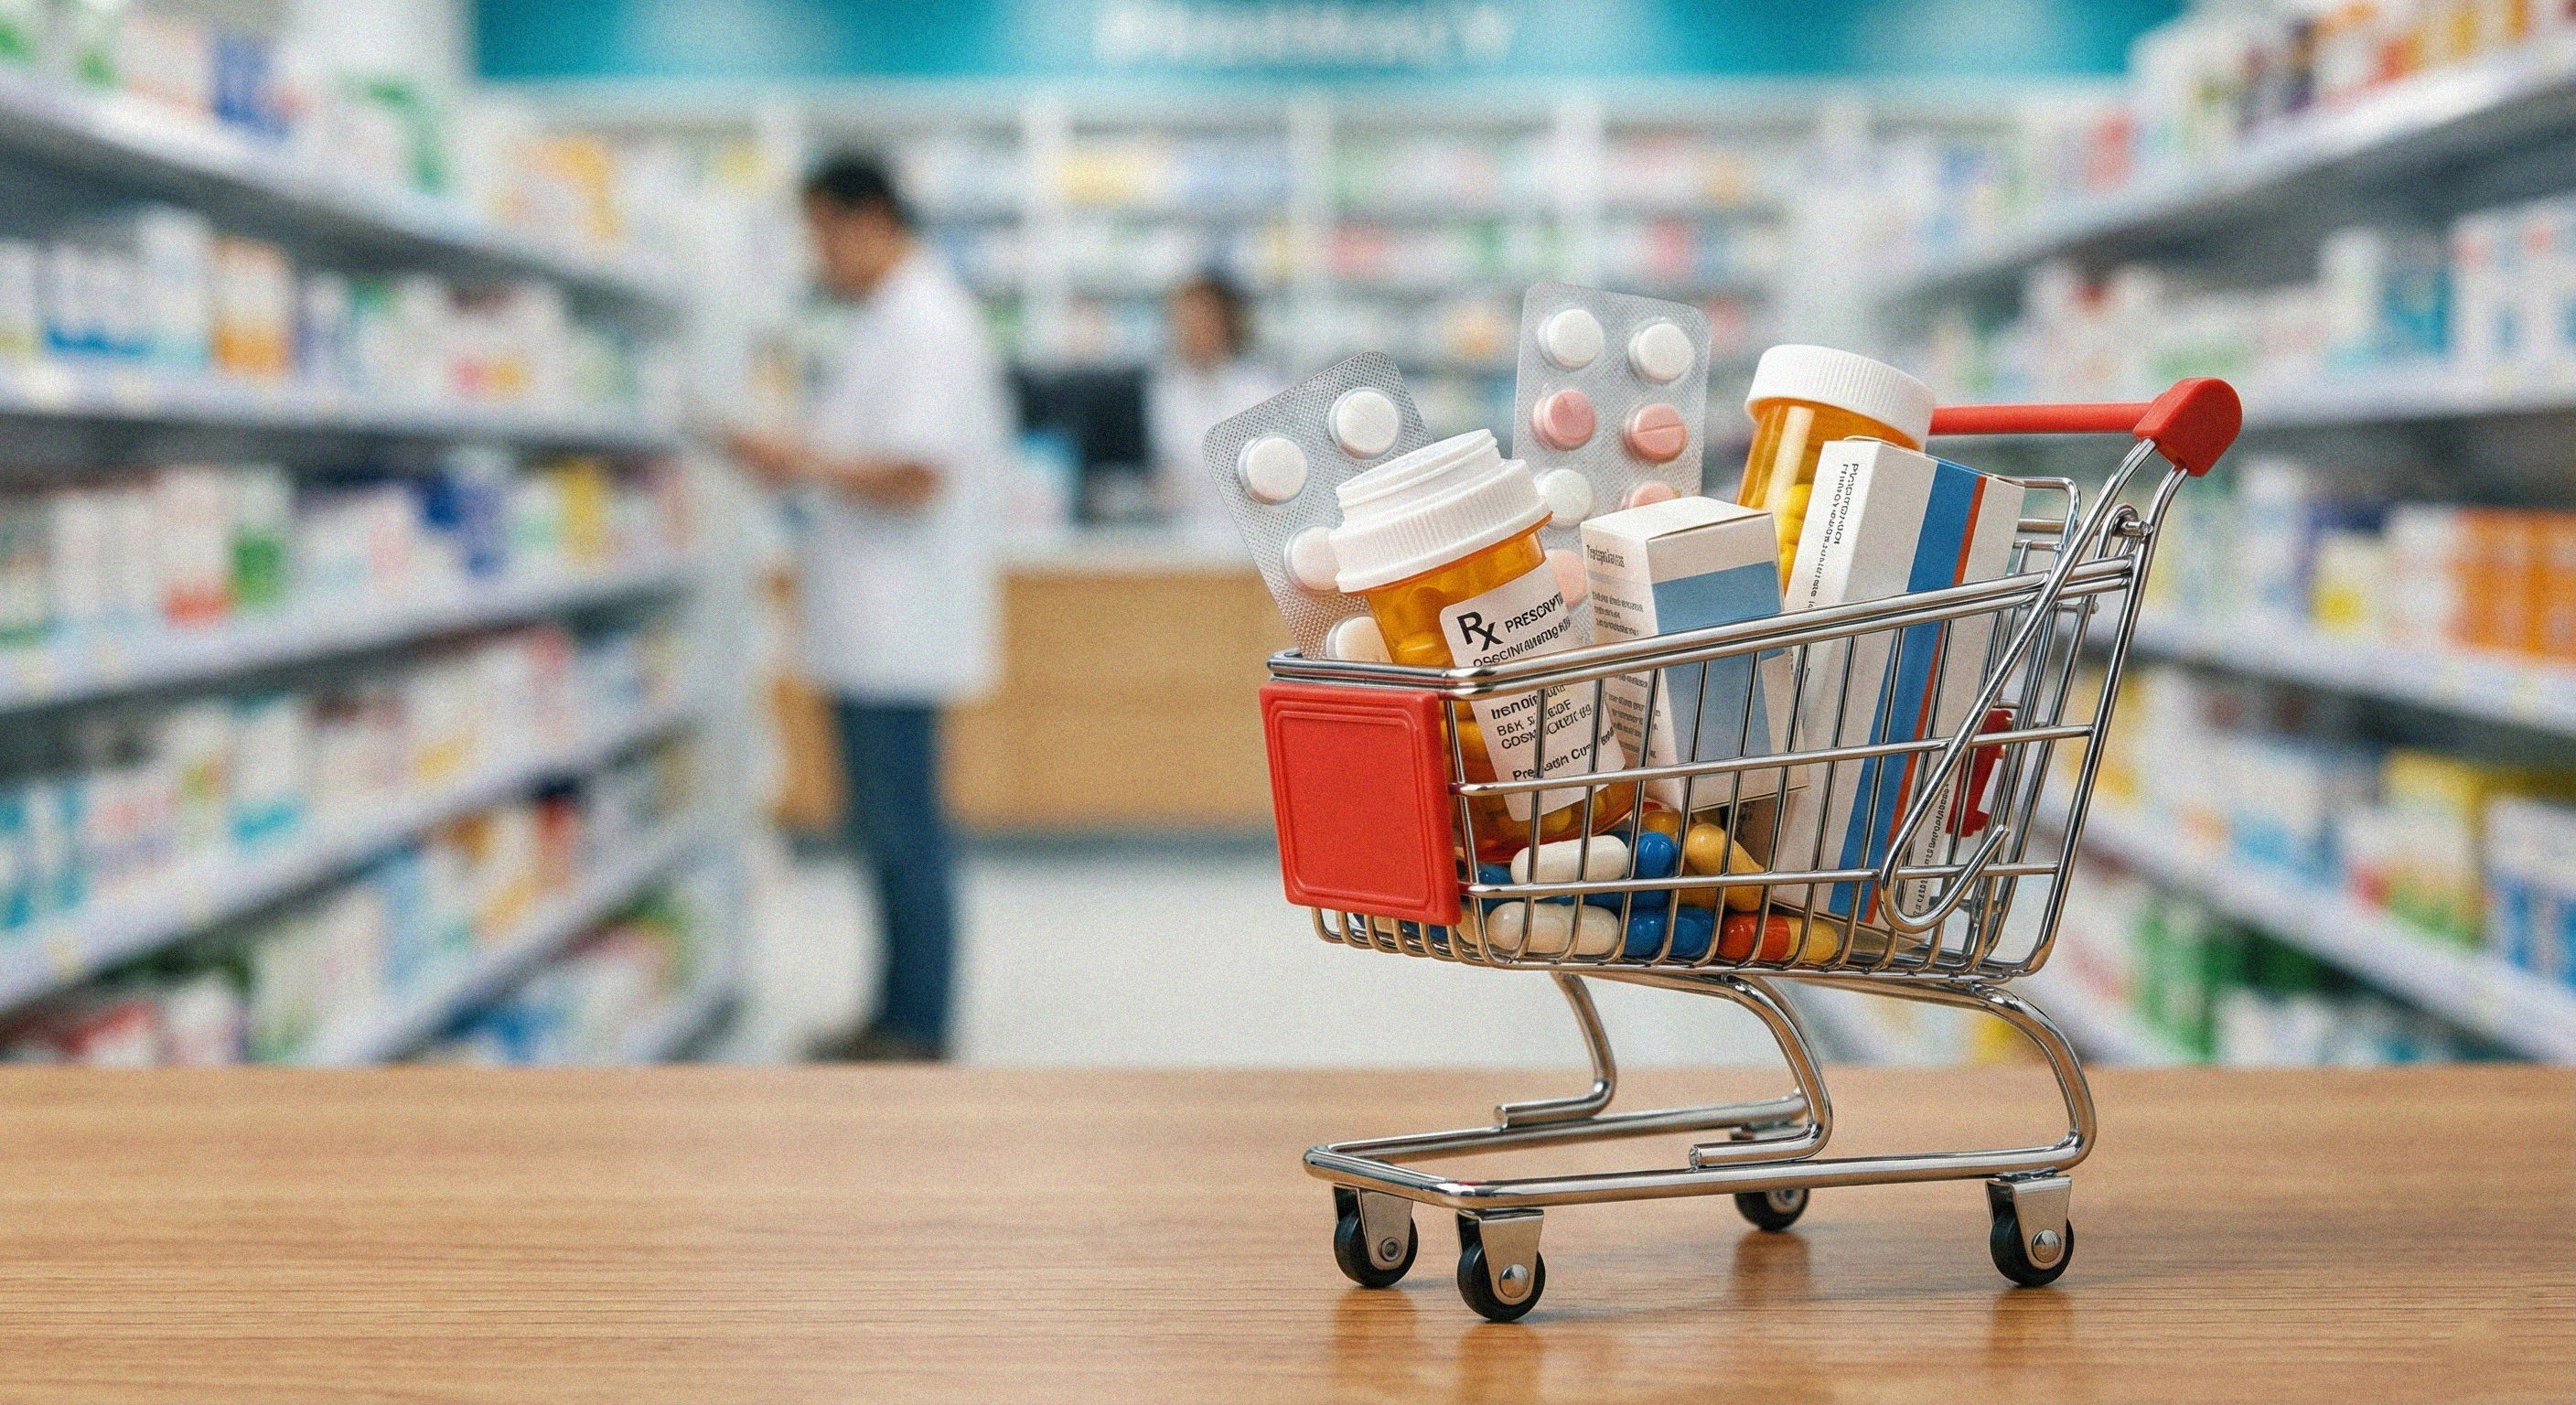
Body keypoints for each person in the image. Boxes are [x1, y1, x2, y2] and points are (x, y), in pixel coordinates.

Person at [725, 154, 1006, 1061]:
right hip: (875, 624)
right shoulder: (894, 318)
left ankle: (916, 1026)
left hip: (899, 628)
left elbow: (916, 470)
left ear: (868, 217)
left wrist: (797, 459)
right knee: (886, 833)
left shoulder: (925, 319)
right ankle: (893, 1011)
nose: (817, 256)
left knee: (902, 834)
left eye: (820, 233)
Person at [1147, 272, 1283, 540]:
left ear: (1227, 323)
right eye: (1183, 322)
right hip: (1184, 536)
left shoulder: (1261, 386)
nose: (1192, 332)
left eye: (1202, 321)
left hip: (1253, 537)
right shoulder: (1166, 388)